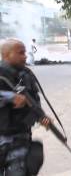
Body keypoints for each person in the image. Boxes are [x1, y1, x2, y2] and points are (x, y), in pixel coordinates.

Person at [0, 39, 51, 176]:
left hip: (20, 138)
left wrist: (41, 117)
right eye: (20, 53)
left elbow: (34, 101)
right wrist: (10, 97)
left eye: (24, 52)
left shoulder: (26, 75)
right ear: (6, 55)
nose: (25, 56)